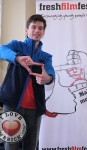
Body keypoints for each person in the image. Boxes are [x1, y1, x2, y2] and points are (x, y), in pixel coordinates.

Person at [0, 14, 55, 150]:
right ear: (27, 30)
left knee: (30, 147)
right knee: (10, 146)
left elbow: (50, 75)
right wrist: (17, 58)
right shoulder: (16, 46)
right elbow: (1, 50)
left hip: (34, 110)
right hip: (12, 106)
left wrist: (46, 78)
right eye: (33, 27)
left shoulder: (45, 57)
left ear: (43, 32)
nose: (37, 30)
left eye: (40, 28)